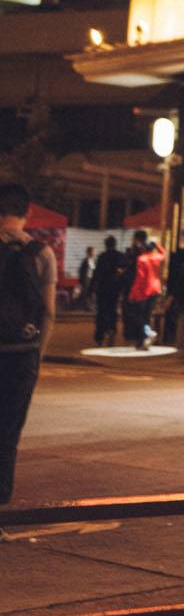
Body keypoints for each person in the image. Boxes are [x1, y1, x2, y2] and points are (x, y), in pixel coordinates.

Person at [0, 182, 57, 505]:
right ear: (28, 213)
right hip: (22, 355)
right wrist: (38, 354)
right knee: (7, 436)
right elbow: (49, 312)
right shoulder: (42, 254)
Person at [124, 233, 164, 348]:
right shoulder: (157, 258)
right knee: (147, 315)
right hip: (155, 289)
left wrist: (132, 293)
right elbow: (163, 253)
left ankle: (146, 335)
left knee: (139, 316)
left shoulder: (142, 259)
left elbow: (140, 278)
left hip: (144, 291)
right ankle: (144, 340)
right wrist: (157, 245)